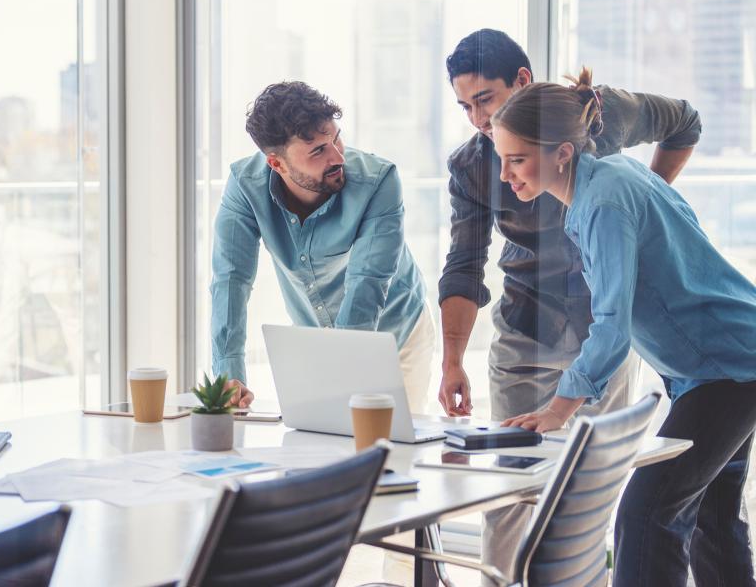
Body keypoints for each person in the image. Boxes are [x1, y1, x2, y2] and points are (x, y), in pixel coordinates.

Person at [436, 28, 702, 580]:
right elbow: (464, 265)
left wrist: (651, 195)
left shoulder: (599, 115)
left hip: (602, 335)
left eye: (484, 99)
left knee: (591, 496)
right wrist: (452, 360)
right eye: (464, 106)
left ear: (523, 81)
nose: (477, 119)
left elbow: (685, 121)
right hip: (524, 332)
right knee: (510, 497)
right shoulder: (471, 166)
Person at [492, 68, 756, 586]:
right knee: (712, 518)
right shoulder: (615, 175)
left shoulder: (603, 203)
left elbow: (611, 323)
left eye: (517, 159)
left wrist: (558, 408)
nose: (506, 174)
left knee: (647, 513)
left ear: (562, 152)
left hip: (728, 370)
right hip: (724, 362)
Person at [211, 81, 434, 413]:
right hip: (318, 340)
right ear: (277, 164)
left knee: (388, 448)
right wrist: (229, 377)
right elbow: (231, 280)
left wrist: (339, 377)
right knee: (319, 450)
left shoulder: (379, 181)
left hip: (395, 334)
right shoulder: (246, 186)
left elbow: (367, 284)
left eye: (336, 138)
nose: (338, 156)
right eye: (318, 150)